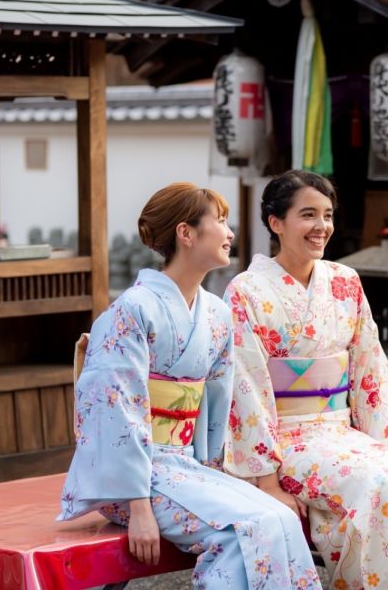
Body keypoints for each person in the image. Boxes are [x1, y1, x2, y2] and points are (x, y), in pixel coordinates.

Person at [58, 182, 321, 589]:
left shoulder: (216, 314)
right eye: (220, 221)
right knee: (245, 529)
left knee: (279, 518)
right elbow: (115, 410)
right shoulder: (132, 309)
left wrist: (216, 474)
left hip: (186, 467)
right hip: (131, 479)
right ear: (186, 233)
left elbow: (216, 405)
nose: (229, 232)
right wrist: (138, 506)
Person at [224, 170, 388, 590]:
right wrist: (267, 481)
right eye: (308, 215)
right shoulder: (246, 290)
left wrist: (374, 444)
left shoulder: (344, 281)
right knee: (372, 484)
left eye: (328, 215)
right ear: (276, 223)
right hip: (285, 440)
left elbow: (367, 362)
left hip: (338, 430)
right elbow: (246, 386)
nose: (322, 226)